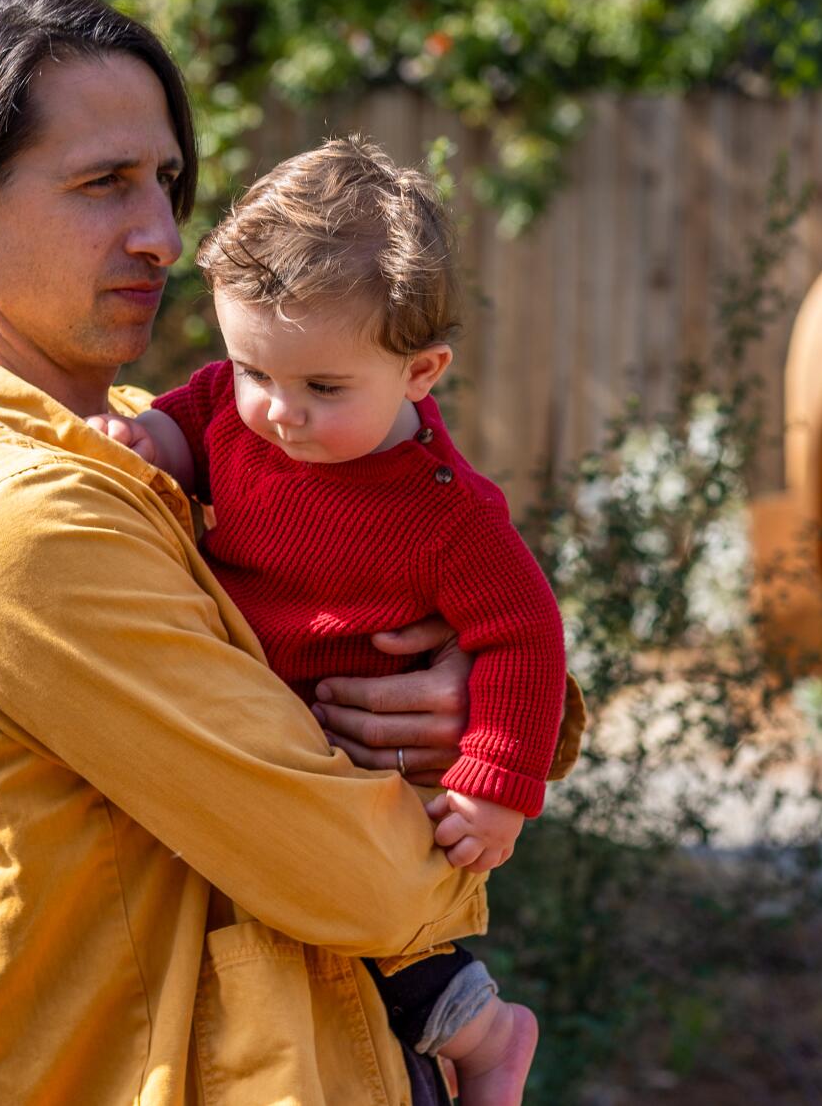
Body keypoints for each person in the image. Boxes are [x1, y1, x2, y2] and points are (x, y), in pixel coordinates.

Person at [0, 0, 584, 1105]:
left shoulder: (156, 447)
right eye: (102, 185)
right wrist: (452, 802)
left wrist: (473, 703)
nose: (159, 234)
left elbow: (391, 539)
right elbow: (365, 880)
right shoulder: (25, 516)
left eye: (165, 181)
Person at [88, 138, 563, 1105]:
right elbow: (195, 425)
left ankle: (488, 1039)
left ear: (421, 371)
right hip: (277, 749)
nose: (277, 411)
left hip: (357, 771)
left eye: (324, 389)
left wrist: (497, 784)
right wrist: (150, 443)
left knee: (389, 947)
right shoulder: (236, 405)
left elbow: (526, 634)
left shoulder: (444, 516)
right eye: (252, 366)